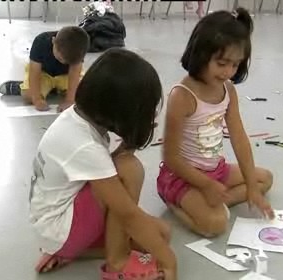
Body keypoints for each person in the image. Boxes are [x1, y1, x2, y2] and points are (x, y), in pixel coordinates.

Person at [29, 48, 176, 279]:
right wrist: (169, 261)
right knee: (130, 169)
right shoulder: (84, 144)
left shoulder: (78, 120)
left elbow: (105, 167)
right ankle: (117, 261)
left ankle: (70, 250)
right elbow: (126, 213)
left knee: (161, 233)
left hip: (55, 225)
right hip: (59, 228)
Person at [157, 8, 274, 238]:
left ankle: (217, 199)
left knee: (264, 179)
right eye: (222, 63)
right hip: (183, 176)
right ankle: (173, 202)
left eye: (235, 64)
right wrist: (206, 185)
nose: (228, 72)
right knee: (215, 225)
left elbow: (239, 138)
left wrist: (251, 185)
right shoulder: (182, 96)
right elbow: (170, 157)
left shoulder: (228, 90)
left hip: (216, 171)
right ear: (201, 54)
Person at [0, 26, 89, 113]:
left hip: (65, 76)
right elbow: (34, 72)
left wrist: (70, 100)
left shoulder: (77, 49)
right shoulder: (41, 42)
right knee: (29, 96)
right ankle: (19, 87)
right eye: (61, 59)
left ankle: (52, 89)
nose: (64, 63)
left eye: (68, 62)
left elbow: (74, 73)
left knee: (84, 95)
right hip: (43, 74)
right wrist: (37, 99)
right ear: (53, 41)